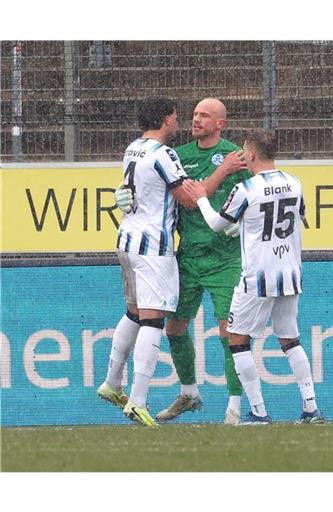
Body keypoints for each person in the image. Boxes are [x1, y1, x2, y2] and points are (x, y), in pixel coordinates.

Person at [116, 98, 251, 425]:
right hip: (187, 256)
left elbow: (255, 194)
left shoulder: (237, 157)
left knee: (229, 332)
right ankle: (189, 392)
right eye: (193, 115)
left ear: (221, 123)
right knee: (174, 329)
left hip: (225, 258)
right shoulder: (179, 156)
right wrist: (121, 196)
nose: (196, 120)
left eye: (204, 116)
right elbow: (155, 192)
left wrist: (243, 222)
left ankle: (234, 407)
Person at [186, 128, 324, 425]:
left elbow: (215, 224)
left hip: (257, 277)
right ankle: (311, 408)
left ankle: (259, 411)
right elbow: (300, 219)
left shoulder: (246, 189)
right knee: (290, 339)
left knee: (237, 340)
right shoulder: (294, 183)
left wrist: (200, 198)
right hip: (290, 273)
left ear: (250, 154)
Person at [96, 96, 199, 426]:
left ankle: (113, 383)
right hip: (153, 245)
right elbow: (188, 200)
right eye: (176, 115)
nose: (178, 120)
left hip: (127, 238)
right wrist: (215, 180)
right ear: (167, 118)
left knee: (134, 312)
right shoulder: (164, 154)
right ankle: (138, 401)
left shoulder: (133, 148)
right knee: (153, 321)